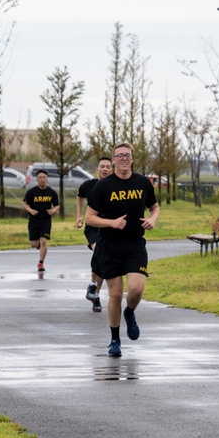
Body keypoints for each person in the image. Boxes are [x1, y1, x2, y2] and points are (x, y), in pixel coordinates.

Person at [85, 142, 159, 357]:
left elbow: (154, 207)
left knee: (136, 290)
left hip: (135, 245)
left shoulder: (143, 182)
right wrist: (111, 223)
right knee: (115, 294)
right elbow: (90, 217)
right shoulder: (103, 186)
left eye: (128, 155)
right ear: (114, 160)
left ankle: (130, 312)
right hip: (110, 247)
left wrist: (153, 219)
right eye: (120, 155)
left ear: (132, 159)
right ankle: (115, 340)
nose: (124, 158)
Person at [77, 156, 114, 312]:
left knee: (103, 259)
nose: (105, 169)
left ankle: (95, 294)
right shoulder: (89, 185)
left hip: (109, 227)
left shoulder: (116, 186)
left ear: (112, 169)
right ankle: (93, 286)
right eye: (102, 166)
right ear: (97, 170)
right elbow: (79, 196)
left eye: (108, 167)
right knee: (100, 249)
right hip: (93, 226)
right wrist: (79, 215)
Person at [22, 170, 60, 273]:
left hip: (46, 220)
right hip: (34, 221)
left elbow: (57, 205)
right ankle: (37, 243)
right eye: (40, 178)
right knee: (33, 244)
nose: (42, 179)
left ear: (47, 179)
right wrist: (30, 210)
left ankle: (41, 263)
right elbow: (25, 203)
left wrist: (53, 210)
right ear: (37, 179)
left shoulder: (52, 192)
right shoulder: (31, 192)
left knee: (44, 241)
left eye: (44, 177)